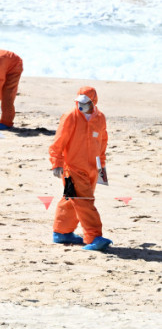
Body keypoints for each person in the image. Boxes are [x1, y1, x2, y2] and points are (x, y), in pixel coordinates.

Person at [49, 86, 112, 251]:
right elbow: (59, 141)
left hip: (92, 168)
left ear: (93, 102)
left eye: (85, 103)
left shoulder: (100, 118)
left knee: (71, 200)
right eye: (79, 102)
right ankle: (94, 236)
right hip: (72, 169)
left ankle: (62, 232)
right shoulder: (71, 116)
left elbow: (102, 143)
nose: (81, 105)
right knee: (85, 201)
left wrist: (101, 167)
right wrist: (56, 163)